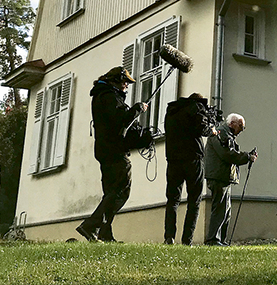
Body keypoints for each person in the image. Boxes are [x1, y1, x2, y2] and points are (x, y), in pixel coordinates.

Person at [76, 66, 147, 243]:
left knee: (110, 192)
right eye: (125, 82)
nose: (127, 86)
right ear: (115, 81)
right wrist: (137, 109)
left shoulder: (102, 94)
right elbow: (120, 120)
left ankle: (104, 234)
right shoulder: (108, 96)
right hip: (113, 149)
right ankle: (91, 225)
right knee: (121, 190)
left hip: (104, 149)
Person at [163, 93, 217, 245]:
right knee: (194, 200)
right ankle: (187, 240)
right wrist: (211, 128)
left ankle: (169, 236)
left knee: (172, 200)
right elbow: (202, 129)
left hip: (173, 159)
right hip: (192, 159)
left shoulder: (172, 110)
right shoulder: (196, 108)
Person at [203, 113, 256, 245]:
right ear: (232, 123)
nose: (242, 130)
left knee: (225, 210)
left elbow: (229, 153)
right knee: (220, 209)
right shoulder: (221, 134)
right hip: (218, 176)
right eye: (241, 127)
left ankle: (220, 240)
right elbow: (227, 154)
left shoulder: (225, 134)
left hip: (222, 176)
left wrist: (246, 156)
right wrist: (247, 157)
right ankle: (213, 239)